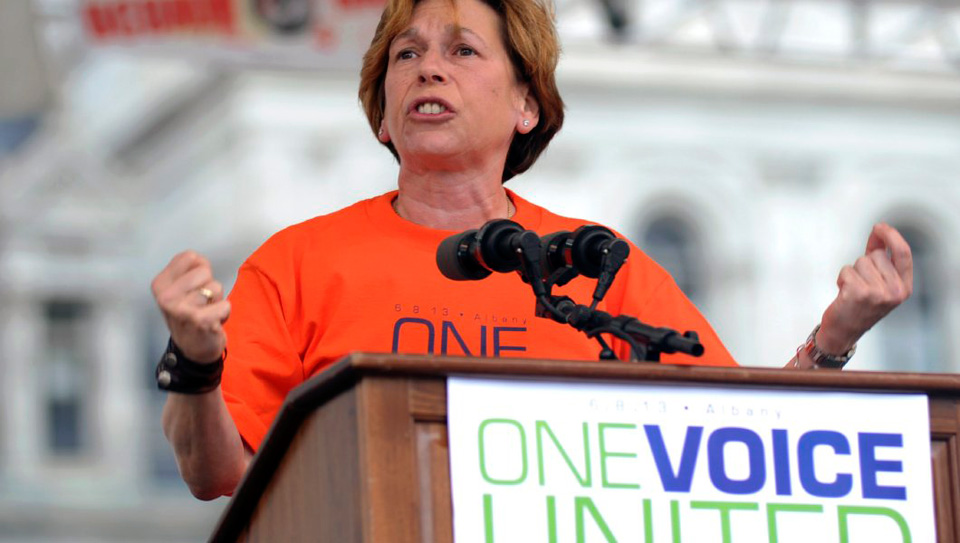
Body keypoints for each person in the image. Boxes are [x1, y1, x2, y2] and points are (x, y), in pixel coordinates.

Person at [150, 0, 914, 500]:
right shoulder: (297, 262)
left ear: (526, 103)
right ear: (382, 115)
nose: (428, 68)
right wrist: (195, 363)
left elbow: (739, 447)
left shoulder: (597, 264)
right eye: (405, 56)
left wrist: (834, 338)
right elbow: (216, 472)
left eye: (462, 51)